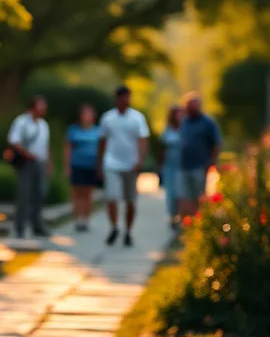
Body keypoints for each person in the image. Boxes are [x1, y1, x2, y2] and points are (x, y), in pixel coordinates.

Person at [97, 85, 149, 247]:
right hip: (112, 163)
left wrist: (140, 160)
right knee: (112, 197)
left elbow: (142, 140)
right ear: (117, 99)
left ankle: (128, 230)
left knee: (130, 200)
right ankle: (114, 227)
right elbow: (102, 141)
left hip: (130, 164)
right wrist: (99, 163)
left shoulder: (137, 118)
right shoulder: (107, 118)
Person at [5, 95, 50, 239]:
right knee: (24, 194)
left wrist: (48, 162)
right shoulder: (22, 122)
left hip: (40, 163)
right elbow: (14, 141)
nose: (43, 109)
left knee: (39, 194)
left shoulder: (43, 125)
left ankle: (37, 225)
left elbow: (45, 145)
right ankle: (20, 227)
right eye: (40, 105)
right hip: (26, 163)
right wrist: (27, 154)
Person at [177, 93, 222, 218]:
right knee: (185, 197)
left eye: (193, 105)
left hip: (200, 166)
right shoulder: (184, 122)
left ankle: (199, 223)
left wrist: (212, 161)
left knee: (200, 197)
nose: (191, 108)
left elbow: (217, 143)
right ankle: (187, 225)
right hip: (184, 166)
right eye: (189, 105)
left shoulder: (207, 123)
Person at [64, 103, 101, 231]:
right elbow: (68, 148)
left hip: (91, 166)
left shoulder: (97, 131)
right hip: (77, 165)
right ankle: (78, 218)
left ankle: (86, 218)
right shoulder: (74, 130)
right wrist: (67, 165)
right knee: (77, 194)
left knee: (88, 194)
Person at [159, 105, 183, 228]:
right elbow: (162, 149)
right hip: (169, 167)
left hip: (183, 167)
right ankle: (173, 216)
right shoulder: (167, 130)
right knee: (171, 193)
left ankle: (181, 217)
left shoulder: (185, 129)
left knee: (180, 192)